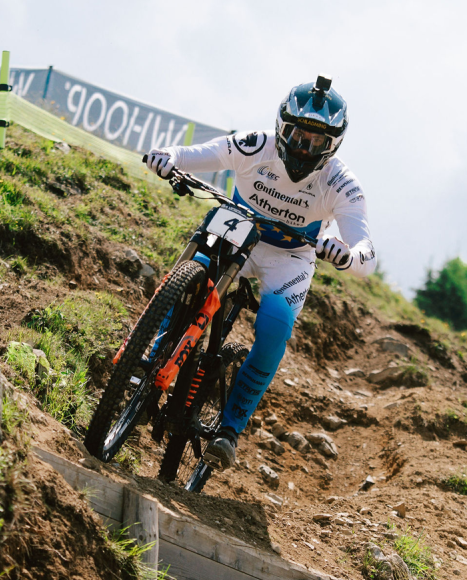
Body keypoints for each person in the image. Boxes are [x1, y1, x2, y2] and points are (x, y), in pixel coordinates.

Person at [144, 75, 376, 470]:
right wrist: (168, 157)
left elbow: (366, 253)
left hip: (290, 254)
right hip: (238, 226)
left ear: (333, 145)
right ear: (281, 128)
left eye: (317, 142)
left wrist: (346, 254)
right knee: (191, 275)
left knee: (274, 327)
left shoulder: (341, 181)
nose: (304, 147)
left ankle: (229, 430)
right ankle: (147, 358)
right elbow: (200, 153)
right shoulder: (255, 145)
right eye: (299, 135)